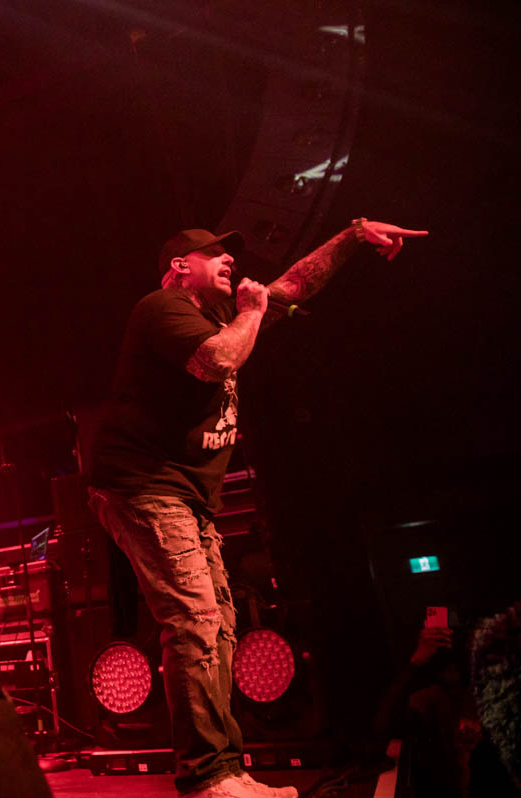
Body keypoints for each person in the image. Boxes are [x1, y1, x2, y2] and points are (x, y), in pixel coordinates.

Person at [87, 217, 427, 798]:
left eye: (230, 255)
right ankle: (206, 777)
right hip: (141, 484)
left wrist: (352, 235)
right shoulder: (161, 308)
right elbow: (218, 360)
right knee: (194, 621)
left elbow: (293, 284)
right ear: (180, 268)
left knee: (218, 627)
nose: (229, 261)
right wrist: (250, 312)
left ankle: (227, 770)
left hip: (183, 494)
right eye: (215, 254)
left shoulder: (222, 312)